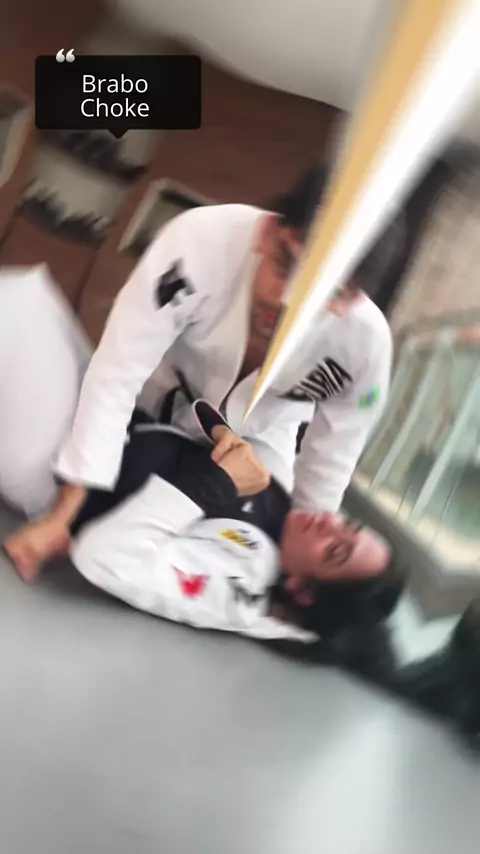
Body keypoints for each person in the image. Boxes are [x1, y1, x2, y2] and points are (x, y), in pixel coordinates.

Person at [3, 163, 404, 579]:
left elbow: (329, 462)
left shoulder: (364, 345)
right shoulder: (200, 241)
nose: (286, 301)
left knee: (236, 555)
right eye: (286, 264)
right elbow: (118, 372)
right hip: (153, 403)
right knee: (18, 305)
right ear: (266, 232)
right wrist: (62, 516)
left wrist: (297, 572)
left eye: (322, 294)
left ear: (350, 301)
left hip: (260, 447)